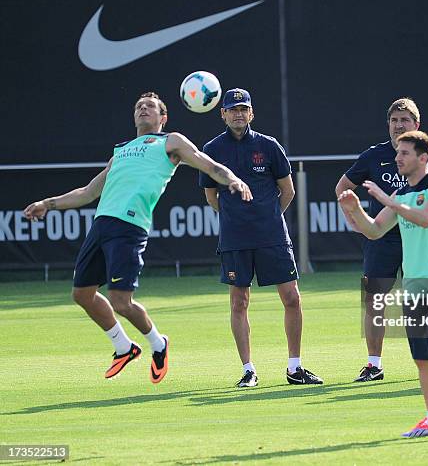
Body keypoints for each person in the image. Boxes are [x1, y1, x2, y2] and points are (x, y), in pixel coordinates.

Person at [23, 92, 252, 384]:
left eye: (150, 107)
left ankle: (158, 343)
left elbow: (207, 164)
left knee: (120, 301)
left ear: (163, 118)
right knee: (81, 294)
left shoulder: (171, 142)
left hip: (130, 227)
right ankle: (123, 347)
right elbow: (88, 192)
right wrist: (47, 204)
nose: (143, 109)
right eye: (138, 106)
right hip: (101, 225)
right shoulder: (121, 150)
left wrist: (232, 178)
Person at [339, 130, 428, 439]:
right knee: (422, 359)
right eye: (397, 153)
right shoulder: (401, 195)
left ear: (423, 157)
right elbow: (374, 230)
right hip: (414, 287)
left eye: (405, 153)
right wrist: (354, 208)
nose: (397, 158)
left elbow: (425, 218)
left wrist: (385, 200)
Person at [199, 88, 323, 387]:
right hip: (235, 239)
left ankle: (295, 367)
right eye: (233, 109)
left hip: (272, 237)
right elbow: (211, 196)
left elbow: (288, 191)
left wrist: (267, 217)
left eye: (243, 109)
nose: (238, 113)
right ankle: (248, 370)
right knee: (239, 302)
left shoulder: (269, 146)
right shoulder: (212, 149)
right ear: (223, 114)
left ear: (251, 113)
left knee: (292, 298)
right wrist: (235, 218)